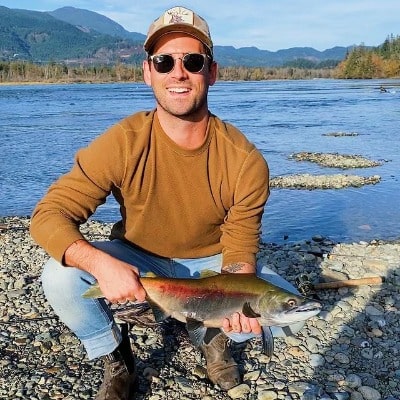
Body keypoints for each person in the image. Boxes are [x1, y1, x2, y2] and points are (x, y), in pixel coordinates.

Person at [30, 6, 303, 400]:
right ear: (148, 72)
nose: (178, 73)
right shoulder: (123, 142)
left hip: (213, 265)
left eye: (192, 61)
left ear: (211, 72)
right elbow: (49, 215)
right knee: (60, 276)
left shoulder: (245, 160)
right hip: (140, 258)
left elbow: (240, 250)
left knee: (285, 313)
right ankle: (116, 357)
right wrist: (102, 265)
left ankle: (215, 339)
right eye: (164, 62)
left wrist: (237, 303)